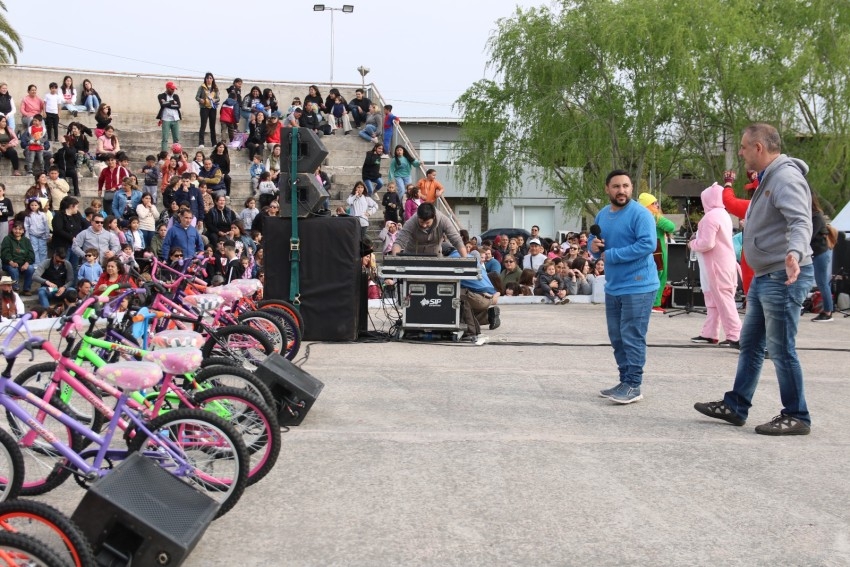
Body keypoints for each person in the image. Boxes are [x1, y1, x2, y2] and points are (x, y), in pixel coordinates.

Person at [694, 123, 815, 435]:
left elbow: (801, 220)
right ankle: (736, 405)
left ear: (759, 148)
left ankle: (797, 415)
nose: (742, 153)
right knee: (750, 343)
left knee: (781, 347)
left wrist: (794, 252)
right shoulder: (768, 178)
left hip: (781, 274)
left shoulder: (785, 177)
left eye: (744, 147)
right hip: (767, 274)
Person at [589, 169, 658, 405]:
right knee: (617, 336)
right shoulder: (602, 214)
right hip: (614, 285)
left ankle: (634, 385)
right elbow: (593, 243)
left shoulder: (640, 214)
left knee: (632, 336)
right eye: (616, 186)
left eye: (626, 186)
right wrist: (594, 247)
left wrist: (612, 255)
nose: (622, 191)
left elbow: (648, 245)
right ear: (607, 189)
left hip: (639, 285)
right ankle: (624, 380)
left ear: (631, 188)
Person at [688, 183, 742, 347]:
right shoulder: (724, 214)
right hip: (725, 264)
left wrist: (692, 244)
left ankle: (736, 335)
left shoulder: (710, 217)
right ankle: (710, 333)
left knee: (723, 301)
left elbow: (707, 243)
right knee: (715, 299)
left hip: (716, 266)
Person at [446, 244, 501, 334]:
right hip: (488, 296)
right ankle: (488, 315)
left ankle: (465, 326)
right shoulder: (470, 256)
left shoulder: (450, 258)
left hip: (478, 296)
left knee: (451, 296)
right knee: (463, 312)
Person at [637, 192, 676, 313]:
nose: (657, 205)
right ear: (648, 205)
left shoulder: (639, 216)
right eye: (654, 203)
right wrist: (658, 217)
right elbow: (671, 226)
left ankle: (644, 302)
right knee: (659, 275)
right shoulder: (654, 216)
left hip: (646, 248)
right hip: (657, 249)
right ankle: (654, 303)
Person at [391, 203, 466, 257]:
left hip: (435, 257)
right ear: (418, 217)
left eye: (427, 223)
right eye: (421, 222)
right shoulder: (411, 222)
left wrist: (465, 259)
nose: (424, 225)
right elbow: (399, 242)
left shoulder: (444, 221)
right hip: (412, 257)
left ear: (433, 218)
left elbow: (456, 240)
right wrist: (394, 262)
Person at [809, 194, 834, 322]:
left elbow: (811, 235)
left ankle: (828, 311)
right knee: (821, 282)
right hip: (817, 253)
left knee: (822, 282)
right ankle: (827, 310)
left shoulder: (817, 216)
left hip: (821, 252)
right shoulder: (813, 216)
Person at [1, 222, 35, 294]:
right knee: (13, 269)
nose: (17, 231)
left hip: (23, 264)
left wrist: (26, 263)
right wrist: (11, 262)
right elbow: (4, 253)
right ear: (12, 229)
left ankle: (26, 289)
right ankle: (15, 289)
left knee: (31, 268)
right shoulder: (7, 239)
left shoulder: (26, 240)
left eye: (20, 229)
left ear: (23, 231)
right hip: (9, 263)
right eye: (15, 229)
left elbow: (31, 254)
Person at [23, 198, 50, 265]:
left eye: (35, 205)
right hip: (33, 235)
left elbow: (46, 225)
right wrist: (27, 236)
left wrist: (47, 234)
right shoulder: (28, 215)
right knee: (34, 249)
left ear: (39, 206)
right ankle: (36, 264)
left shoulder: (42, 214)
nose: (33, 206)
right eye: (32, 205)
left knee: (43, 250)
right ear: (29, 205)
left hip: (42, 235)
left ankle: (43, 264)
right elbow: (26, 226)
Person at [157, 81, 182, 152]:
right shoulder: (161, 96)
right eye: (172, 89)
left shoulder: (176, 96)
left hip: (175, 118)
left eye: (174, 89)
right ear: (167, 88)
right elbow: (163, 104)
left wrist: (167, 104)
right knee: (165, 138)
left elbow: (178, 106)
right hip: (166, 119)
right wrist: (172, 102)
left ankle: (176, 154)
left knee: (176, 139)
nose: (173, 90)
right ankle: (164, 154)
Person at [195, 72, 219, 147]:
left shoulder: (215, 88)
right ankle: (201, 143)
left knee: (212, 126)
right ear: (205, 79)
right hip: (204, 108)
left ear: (212, 79)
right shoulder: (202, 87)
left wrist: (215, 100)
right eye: (207, 78)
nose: (209, 79)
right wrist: (200, 100)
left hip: (212, 108)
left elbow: (218, 98)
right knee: (203, 125)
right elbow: (197, 97)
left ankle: (214, 143)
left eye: (210, 78)